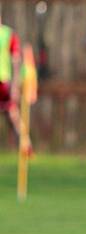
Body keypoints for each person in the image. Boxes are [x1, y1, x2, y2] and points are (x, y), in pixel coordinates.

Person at [0, 16, 23, 147]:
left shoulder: (8, 34)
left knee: (12, 113)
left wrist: (15, 84)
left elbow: (16, 61)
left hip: (3, 80)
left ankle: (25, 145)